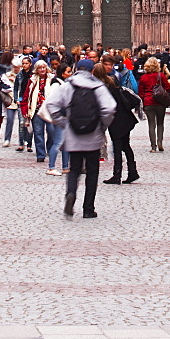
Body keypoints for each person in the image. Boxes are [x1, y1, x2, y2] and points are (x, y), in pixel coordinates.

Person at [46, 59, 116, 219]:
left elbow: (51, 104)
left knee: (74, 169)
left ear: (76, 69)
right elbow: (110, 108)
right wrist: (101, 125)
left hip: (73, 135)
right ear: (92, 71)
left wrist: (63, 122)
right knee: (92, 172)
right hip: (93, 136)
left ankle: (71, 193)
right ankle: (88, 209)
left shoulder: (68, 85)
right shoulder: (98, 86)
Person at [94, 63, 140, 185]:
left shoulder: (102, 87)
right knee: (125, 145)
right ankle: (132, 172)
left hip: (116, 119)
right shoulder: (112, 81)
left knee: (119, 147)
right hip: (125, 116)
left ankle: (117, 174)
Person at [24, 59, 55, 165]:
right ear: (36, 70)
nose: (42, 70)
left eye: (44, 67)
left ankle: (51, 150)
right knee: (38, 132)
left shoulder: (52, 79)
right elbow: (26, 95)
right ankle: (40, 154)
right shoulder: (32, 80)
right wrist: (25, 109)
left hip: (49, 110)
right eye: (40, 68)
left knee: (51, 131)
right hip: (36, 110)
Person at [138, 56, 169, 152]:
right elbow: (167, 87)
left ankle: (153, 147)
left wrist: (144, 100)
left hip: (148, 102)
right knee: (160, 123)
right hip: (160, 102)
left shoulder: (143, 78)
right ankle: (160, 142)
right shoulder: (161, 76)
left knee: (151, 124)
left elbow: (140, 93)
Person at [47, 62, 72, 175]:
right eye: (68, 72)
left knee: (66, 142)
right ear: (62, 73)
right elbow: (52, 100)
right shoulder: (56, 84)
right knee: (58, 142)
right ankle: (51, 167)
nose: (70, 74)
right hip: (60, 116)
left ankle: (65, 166)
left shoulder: (66, 83)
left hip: (66, 115)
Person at [14, 55, 34, 152]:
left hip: (31, 99)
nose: (24, 65)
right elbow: (16, 87)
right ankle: (21, 143)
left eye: (26, 63)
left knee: (29, 123)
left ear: (30, 64)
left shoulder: (34, 75)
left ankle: (29, 144)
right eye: (23, 64)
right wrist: (16, 98)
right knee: (22, 122)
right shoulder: (19, 75)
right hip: (22, 99)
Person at [2, 56, 22, 147]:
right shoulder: (7, 75)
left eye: (17, 67)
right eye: (14, 67)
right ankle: (7, 139)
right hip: (10, 101)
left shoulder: (23, 75)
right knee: (9, 119)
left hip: (20, 100)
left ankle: (23, 140)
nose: (16, 69)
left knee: (22, 122)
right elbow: (4, 87)